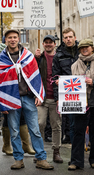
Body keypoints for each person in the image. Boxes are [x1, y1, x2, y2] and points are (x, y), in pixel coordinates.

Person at [0, 29, 53, 170]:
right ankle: (18, 159)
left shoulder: (28, 55)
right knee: (14, 130)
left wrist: (39, 95)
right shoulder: (1, 58)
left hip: (27, 97)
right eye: (9, 38)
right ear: (6, 40)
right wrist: (3, 104)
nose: (12, 40)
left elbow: (36, 76)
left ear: (18, 39)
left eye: (15, 37)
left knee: (35, 129)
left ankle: (41, 158)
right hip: (11, 99)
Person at [69, 31, 94, 170]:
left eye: (87, 47)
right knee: (78, 131)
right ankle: (76, 161)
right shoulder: (75, 65)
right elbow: (71, 83)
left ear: (92, 48)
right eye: (82, 48)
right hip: (80, 102)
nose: (84, 50)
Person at [34, 35, 63, 163]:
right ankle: (39, 152)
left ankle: (56, 151)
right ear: (43, 44)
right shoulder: (40, 58)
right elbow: (32, 74)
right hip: (42, 98)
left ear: (54, 44)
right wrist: (36, 58)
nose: (48, 44)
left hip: (56, 98)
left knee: (56, 125)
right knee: (39, 124)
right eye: (46, 42)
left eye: (50, 42)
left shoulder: (60, 57)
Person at [52, 28, 79, 145]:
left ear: (75, 38)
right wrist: (57, 97)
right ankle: (70, 140)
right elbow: (55, 77)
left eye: (70, 37)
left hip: (82, 91)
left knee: (81, 121)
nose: (68, 39)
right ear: (63, 40)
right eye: (66, 38)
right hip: (67, 92)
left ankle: (82, 142)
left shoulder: (81, 51)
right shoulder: (58, 55)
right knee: (69, 120)